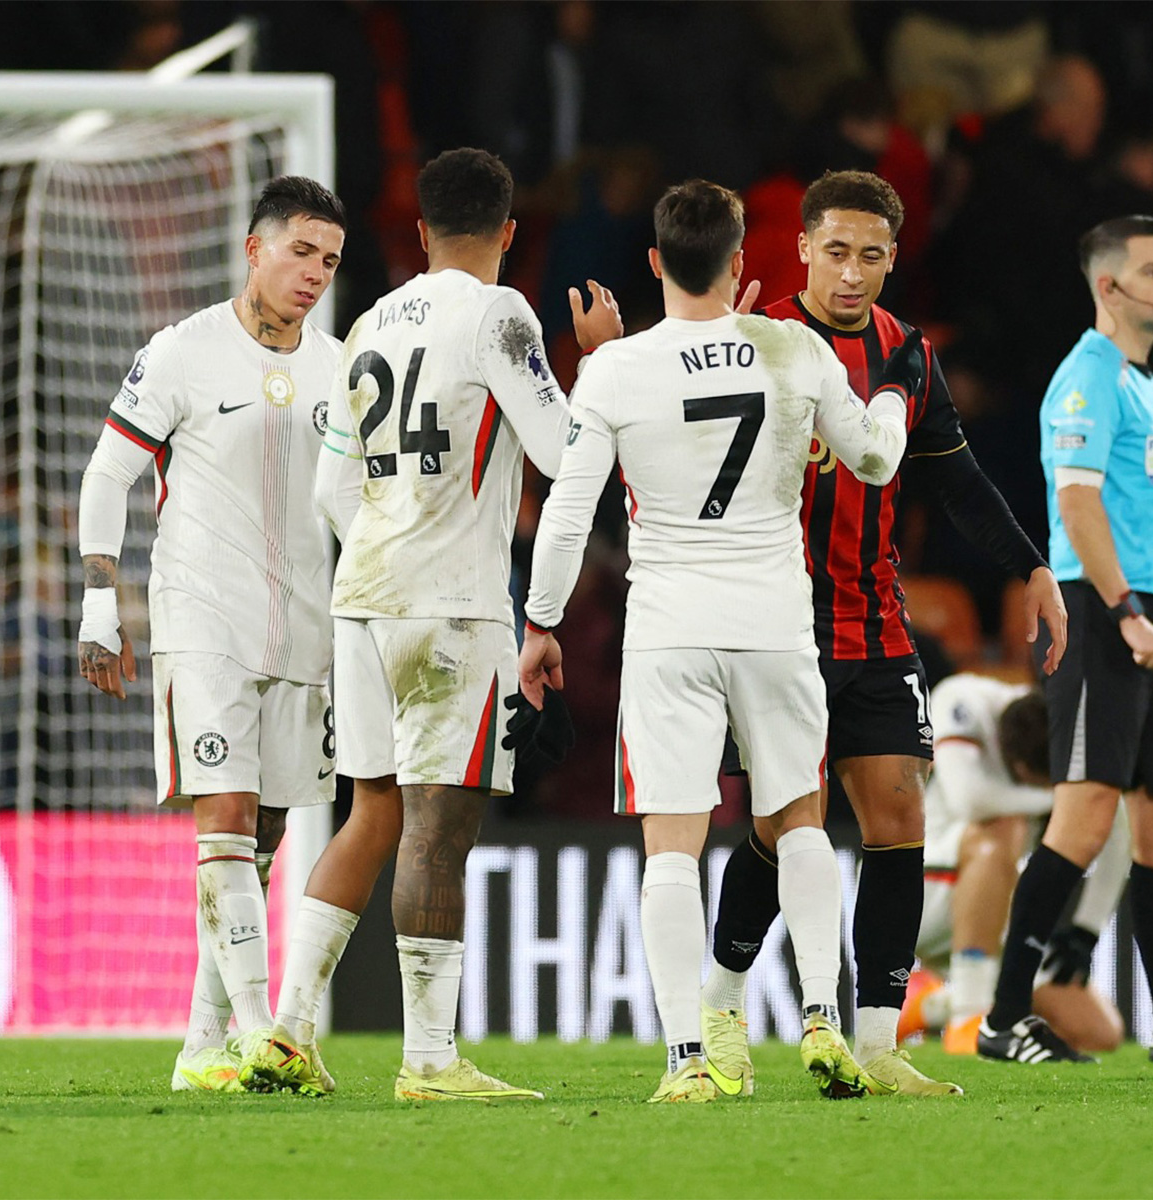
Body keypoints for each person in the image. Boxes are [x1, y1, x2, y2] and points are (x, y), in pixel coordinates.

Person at [519, 179, 918, 1104]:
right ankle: (822, 1018)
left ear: (655, 261)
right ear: (742, 262)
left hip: (670, 628)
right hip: (774, 622)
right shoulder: (792, 347)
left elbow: (568, 514)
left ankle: (686, 1060)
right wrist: (895, 396)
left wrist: (540, 622)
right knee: (801, 821)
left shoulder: (615, 369)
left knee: (672, 846)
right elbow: (874, 459)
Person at [240, 148, 622, 1100]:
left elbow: (330, 488)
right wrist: (602, 365)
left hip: (362, 597)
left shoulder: (370, 320)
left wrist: (389, 536)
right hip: (451, 603)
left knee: (373, 810)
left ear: (419, 231)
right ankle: (429, 1059)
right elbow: (560, 449)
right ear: (510, 231)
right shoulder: (501, 313)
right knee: (438, 826)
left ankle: (289, 1030)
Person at [701, 169, 1066, 1098]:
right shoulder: (756, 340)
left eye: (870, 255)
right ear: (802, 250)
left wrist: (1031, 567)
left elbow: (959, 480)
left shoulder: (908, 355)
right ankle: (722, 1007)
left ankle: (877, 1043)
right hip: (778, 625)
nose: (852, 273)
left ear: (894, 257)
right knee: (784, 826)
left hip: (875, 624)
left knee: (899, 819)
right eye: (835, 252)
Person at [976, 214, 1153, 1065]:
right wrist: (1127, 610)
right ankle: (1002, 1019)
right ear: (1109, 285)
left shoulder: (1140, 382)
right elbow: (1075, 504)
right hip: (1103, 615)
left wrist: (1152, 612)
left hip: (1149, 614)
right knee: (1082, 820)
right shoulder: (1087, 379)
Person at [75, 176, 347, 1091]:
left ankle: (201, 1045)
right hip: (202, 615)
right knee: (223, 817)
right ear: (253, 248)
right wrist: (101, 607)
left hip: (304, 626)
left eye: (330, 260)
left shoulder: (340, 368)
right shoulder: (183, 351)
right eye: (300, 251)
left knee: (262, 836)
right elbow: (108, 474)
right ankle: (263, 1029)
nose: (315, 273)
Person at [898, 674, 1126, 1055]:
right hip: (923, 892)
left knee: (1098, 1032)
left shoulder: (1072, 735)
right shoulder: (964, 699)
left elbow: (1116, 822)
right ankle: (968, 1016)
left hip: (999, 909)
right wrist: (1063, 803)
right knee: (1004, 829)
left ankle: (931, 1004)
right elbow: (970, 800)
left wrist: (1087, 928)